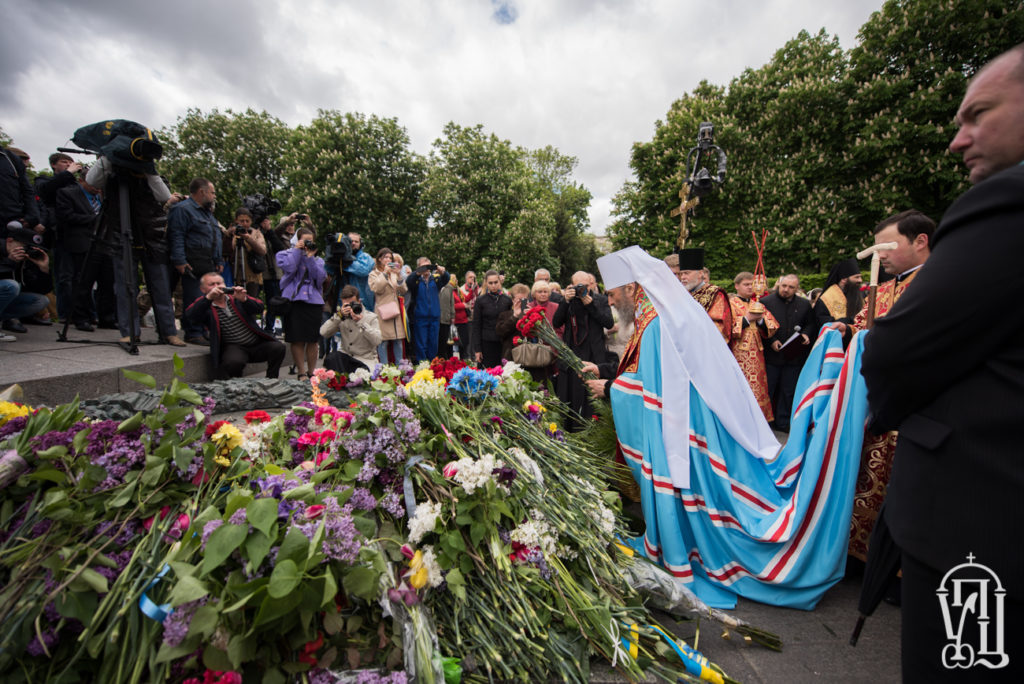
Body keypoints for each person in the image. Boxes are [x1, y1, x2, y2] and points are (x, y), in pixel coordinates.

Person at [861, 45, 1024, 680]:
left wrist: (888, 407)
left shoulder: (1006, 201)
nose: (958, 140)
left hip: (981, 519)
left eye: (978, 114)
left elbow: (897, 349)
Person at [839, 210, 935, 564]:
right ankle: (861, 552)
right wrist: (846, 330)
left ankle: (898, 564)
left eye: (886, 248)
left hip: (914, 408)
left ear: (920, 241)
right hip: (873, 402)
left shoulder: (937, 283)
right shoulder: (885, 288)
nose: (879, 257)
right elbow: (865, 326)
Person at [183, 272, 284, 379]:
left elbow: (259, 307)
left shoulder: (236, 298)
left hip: (255, 343)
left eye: (219, 283)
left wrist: (245, 300)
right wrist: (208, 298)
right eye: (211, 284)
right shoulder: (205, 305)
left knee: (278, 347)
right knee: (234, 362)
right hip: (234, 346)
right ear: (203, 289)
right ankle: (236, 384)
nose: (216, 287)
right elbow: (190, 316)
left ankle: (271, 379)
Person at [55, 172, 119, 334]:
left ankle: (107, 318)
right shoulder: (67, 193)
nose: (97, 187)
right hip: (82, 244)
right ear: (82, 180)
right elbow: (66, 216)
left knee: (107, 282)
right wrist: (94, 219)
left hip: (106, 244)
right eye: (93, 183)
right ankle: (81, 317)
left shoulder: (104, 195)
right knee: (82, 283)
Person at [552, 271, 613, 429]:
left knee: (591, 398)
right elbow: (556, 322)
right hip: (572, 353)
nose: (583, 289)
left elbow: (609, 323)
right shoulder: (568, 300)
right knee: (571, 396)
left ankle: (593, 430)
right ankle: (570, 430)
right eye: (579, 286)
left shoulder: (600, 300)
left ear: (592, 284)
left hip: (594, 355)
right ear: (571, 285)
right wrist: (565, 301)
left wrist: (591, 305)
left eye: (586, 286)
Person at [167, 178, 222, 345]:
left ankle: (202, 330)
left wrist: (218, 259)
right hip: (191, 262)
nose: (214, 196)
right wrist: (180, 260)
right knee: (193, 297)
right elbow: (176, 235)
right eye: (212, 192)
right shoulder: (182, 209)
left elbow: (215, 237)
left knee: (205, 298)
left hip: (207, 262)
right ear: (202, 192)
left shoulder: (207, 213)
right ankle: (193, 332)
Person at [760, 274, 815, 432]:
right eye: (784, 286)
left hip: (793, 356)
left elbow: (810, 324)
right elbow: (760, 326)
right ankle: (765, 423)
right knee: (768, 390)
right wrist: (771, 340)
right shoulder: (766, 302)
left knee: (788, 391)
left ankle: (783, 422)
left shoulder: (804, 304)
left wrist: (806, 334)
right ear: (779, 284)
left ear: (797, 289)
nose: (786, 289)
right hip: (772, 355)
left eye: (791, 287)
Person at [277, 226, 326, 381]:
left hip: (313, 301)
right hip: (294, 301)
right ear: (296, 240)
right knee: (296, 338)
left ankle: (312, 372)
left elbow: (320, 278)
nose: (307, 244)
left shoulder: (318, 260)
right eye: (305, 241)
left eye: (310, 241)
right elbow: (289, 269)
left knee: (312, 339)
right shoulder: (284, 254)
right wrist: (297, 251)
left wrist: (310, 257)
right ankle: (301, 372)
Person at [728, 272, 778, 422]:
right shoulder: (730, 304)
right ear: (737, 286)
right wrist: (746, 319)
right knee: (739, 387)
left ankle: (759, 421)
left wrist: (761, 321)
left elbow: (773, 326)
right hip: (737, 353)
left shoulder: (758, 304)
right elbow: (725, 329)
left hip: (757, 354)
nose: (750, 287)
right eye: (746, 284)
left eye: (752, 284)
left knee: (758, 388)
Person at [0, 223, 50, 341]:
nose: (26, 251)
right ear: (10, 240)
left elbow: (42, 290)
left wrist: (43, 269)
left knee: (41, 301)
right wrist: (9, 262)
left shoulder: (25, 259)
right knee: (11, 286)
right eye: (25, 246)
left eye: (31, 248)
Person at [676, 248, 733, 344]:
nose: (683, 277)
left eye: (687, 273)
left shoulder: (715, 294)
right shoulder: (681, 294)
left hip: (705, 345)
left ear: (700, 274)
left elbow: (719, 327)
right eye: (681, 274)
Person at [320, 284, 382, 372]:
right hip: (346, 358)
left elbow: (377, 340)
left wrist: (361, 322)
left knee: (361, 373)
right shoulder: (341, 317)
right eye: (346, 305)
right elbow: (323, 332)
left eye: (352, 304)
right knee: (332, 358)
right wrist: (338, 316)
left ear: (359, 301)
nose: (349, 308)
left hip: (364, 360)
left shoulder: (371, 317)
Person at [368, 247, 407, 364]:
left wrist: (399, 275)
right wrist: (384, 273)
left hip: (395, 312)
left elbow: (403, 290)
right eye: (385, 257)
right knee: (383, 342)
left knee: (398, 341)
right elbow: (377, 289)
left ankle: (400, 368)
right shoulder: (374, 274)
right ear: (379, 259)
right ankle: (384, 368)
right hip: (382, 312)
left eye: (390, 258)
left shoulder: (394, 274)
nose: (388, 260)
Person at [404, 257, 445, 362]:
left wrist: (442, 271)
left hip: (434, 317)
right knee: (421, 344)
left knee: (433, 344)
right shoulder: (416, 281)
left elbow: (446, 279)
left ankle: (432, 364)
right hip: (420, 317)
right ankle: (422, 365)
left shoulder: (435, 280)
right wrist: (418, 272)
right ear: (418, 267)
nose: (426, 269)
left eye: (428, 266)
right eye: (423, 266)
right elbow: (408, 282)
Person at [471, 269, 512, 368]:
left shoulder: (507, 300)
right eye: (490, 283)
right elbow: (476, 326)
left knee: (504, 372)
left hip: (503, 343)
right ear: (486, 283)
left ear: (500, 281)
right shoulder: (480, 300)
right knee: (487, 372)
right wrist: (477, 349)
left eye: (495, 282)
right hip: (486, 343)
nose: (493, 285)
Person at [226, 207, 267, 299]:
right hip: (235, 274)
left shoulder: (256, 233)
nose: (244, 224)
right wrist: (229, 234)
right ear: (236, 221)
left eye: (247, 221)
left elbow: (263, 251)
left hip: (252, 275)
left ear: (251, 221)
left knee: (251, 301)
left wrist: (248, 238)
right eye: (242, 221)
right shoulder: (233, 233)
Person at [813, 258, 862, 331]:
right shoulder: (825, 299)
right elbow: (824, 323)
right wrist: (850, 322)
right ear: (844, 279)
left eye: (860, 277)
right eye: (857, 277)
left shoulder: (858, 295)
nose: (860, 280)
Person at [343, 232, 375, 312]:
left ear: (360, 244)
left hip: (363, 302)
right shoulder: (340, 258)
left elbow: (363, 270)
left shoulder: (366, 257)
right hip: (343, 301)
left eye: (356, 241)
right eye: (351, 241)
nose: (353, 243)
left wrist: (346, 261)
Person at [438, 274, 458, 359]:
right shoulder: (436, 286)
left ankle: (448, 359)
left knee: (447, 341)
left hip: (446, 318)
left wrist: (452, 316)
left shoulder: (449, 288)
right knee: (440, 342)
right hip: (436, 319)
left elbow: (452, 303)